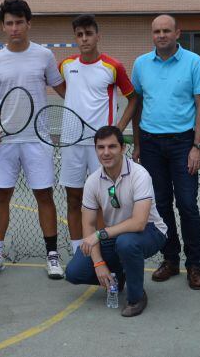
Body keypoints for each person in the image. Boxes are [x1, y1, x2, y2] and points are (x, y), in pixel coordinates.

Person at [0, 0, 67, 279]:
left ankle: (52, 256)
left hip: (37, 139)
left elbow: (64, 89)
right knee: (1, 196)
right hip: (4, 142)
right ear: (3, 27)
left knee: (44, 195)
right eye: (9, 23)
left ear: (28, 23)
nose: (14, 28)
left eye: (19, 22)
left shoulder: (44, 56)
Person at [130, 15, 200, 290]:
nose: (161, 35)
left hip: (182, 143)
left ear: (178, 33)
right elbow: (137, 105)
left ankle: (194, 264)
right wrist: (138, 144)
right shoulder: (140, 64)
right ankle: (171, 259)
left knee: (187, 204)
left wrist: (196, 146)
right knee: (160, 206)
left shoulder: (194, 63)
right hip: (151, 144)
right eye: (156, 31)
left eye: (166, 30)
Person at [65, 126, 167, 317]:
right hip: (115, 235)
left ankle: (136, 297)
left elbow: (138, 223)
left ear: (122, 148)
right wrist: (98, 263)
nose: (106, 152)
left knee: (126, 243)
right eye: (100, 147)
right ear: (95, 150)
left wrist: (99, 234)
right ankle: (118, 274)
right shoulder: (93, 181)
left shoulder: (139, 174)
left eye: (112, 146)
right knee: (73, 272)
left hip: (151, 232)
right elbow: (88, 224)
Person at [59, 14, 137, 254]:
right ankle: (76, 252)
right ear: (75, 38)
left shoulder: (113, 66)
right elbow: (65, 89)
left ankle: (105, 249)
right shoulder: (66, 65)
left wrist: (118, 130)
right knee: (74, 198)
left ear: (97, 36)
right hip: (71, 143)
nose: (84, 39)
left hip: (100, 147)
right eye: (79, 35)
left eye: (88, 34)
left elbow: (133, 99)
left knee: (105, 202)